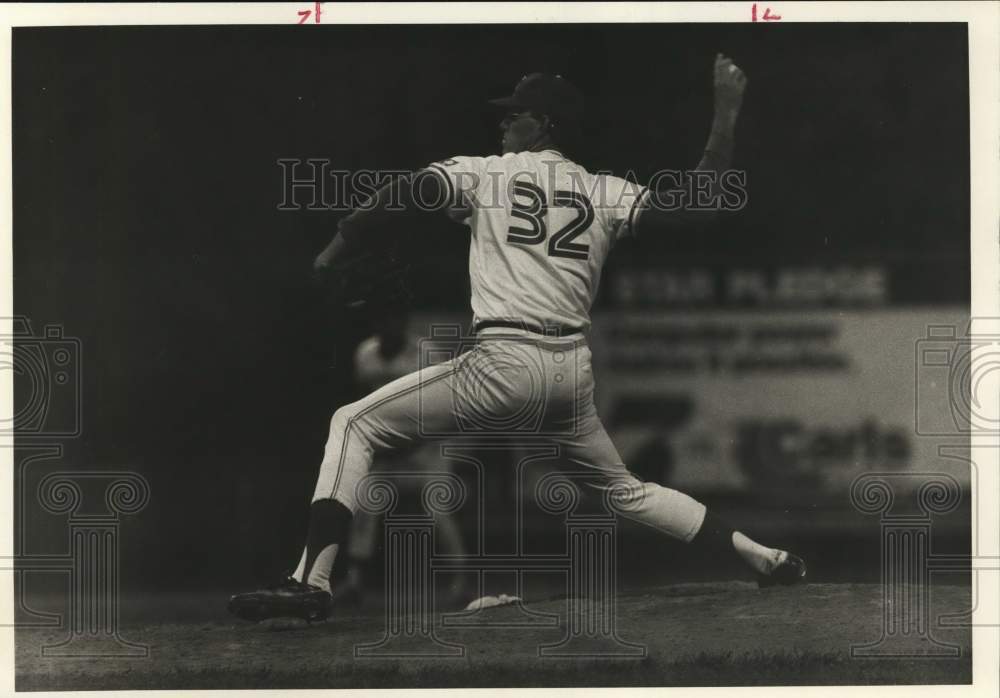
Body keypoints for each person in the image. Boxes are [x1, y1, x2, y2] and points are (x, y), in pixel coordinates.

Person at [229, 54, 805, 624]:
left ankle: (312, 582)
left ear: (545, 125)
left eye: (515, 116)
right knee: (625, 491)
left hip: (505, 360)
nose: (503, 124)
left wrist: (335, 248)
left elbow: (405, 191)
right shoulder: (604, 190)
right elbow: (699, 205)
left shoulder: (489, 173)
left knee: (352, 424)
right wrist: (726, 111)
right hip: (569, 374)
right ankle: (763, 555)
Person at [335, 310, 467, 608]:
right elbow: (363, 401)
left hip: (426, 449)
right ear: (375, 323)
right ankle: (355, 582)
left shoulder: (425, 353)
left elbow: (440, 409)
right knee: (364, 500)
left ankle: (460, 581)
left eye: (393, 318)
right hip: (388, 449)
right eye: (382, 318)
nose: (388, 324)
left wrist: (407, 442)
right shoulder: (365, 354)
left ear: (403, 323)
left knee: (437, 510)